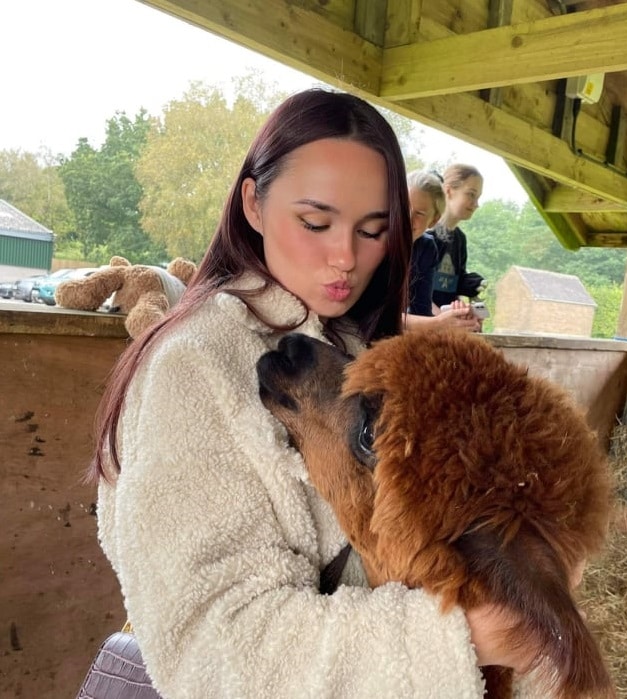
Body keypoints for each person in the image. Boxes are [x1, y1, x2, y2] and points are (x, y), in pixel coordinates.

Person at [91, 88, 539, 698]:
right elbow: (215, 648)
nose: (345, 259)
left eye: (373, 229)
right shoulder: (193, 367)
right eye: (315, 222)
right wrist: (460, 635)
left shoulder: (355, 342)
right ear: (253, 203)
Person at [404, 170, 481, 332]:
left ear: (433, 219)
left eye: (419, 213)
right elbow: (371, 315)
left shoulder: (426, 247)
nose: (408, 218)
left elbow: (421, 309)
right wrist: (440, 322)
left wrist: (458, 315)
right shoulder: (372, 239)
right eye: (471, 194)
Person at [431, 164, 486, 311]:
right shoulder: (426, 234)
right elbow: (412, 293)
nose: (476, 204)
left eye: (478, 197)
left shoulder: (460, 239)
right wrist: (443, 321)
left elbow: (453, 290)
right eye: (471, 194)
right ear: (448, 191)